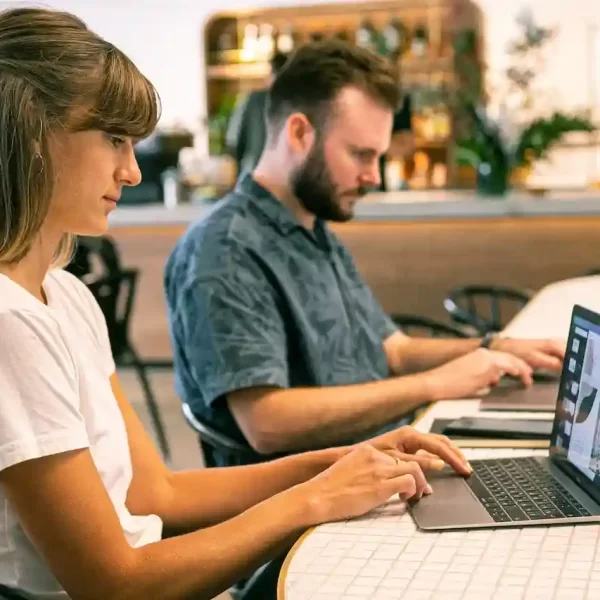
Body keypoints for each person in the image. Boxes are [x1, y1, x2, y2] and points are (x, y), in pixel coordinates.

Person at [0, 8, 474, 600]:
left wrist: (347, 459)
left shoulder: (64, 295)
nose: (130, 170)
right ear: (32, 132)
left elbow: (159, 496)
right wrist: (318, 496)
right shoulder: (11, 323)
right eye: (114, 139)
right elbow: (113, 584)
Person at [164, 39, 566, 469]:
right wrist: (433, 385)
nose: (373, 176)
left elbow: (392, 350)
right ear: (299, 133)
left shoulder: (313, 228)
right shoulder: (224, 249)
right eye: (360, 154)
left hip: (378, 461)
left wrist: (495, 347)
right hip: (307, 502)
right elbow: (267, 422)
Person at [225, 51, 289, 178]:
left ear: (271, 73)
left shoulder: (253, 100)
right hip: (286, 182)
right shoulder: (299, 102)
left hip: (253, 177)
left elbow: (234, 140)